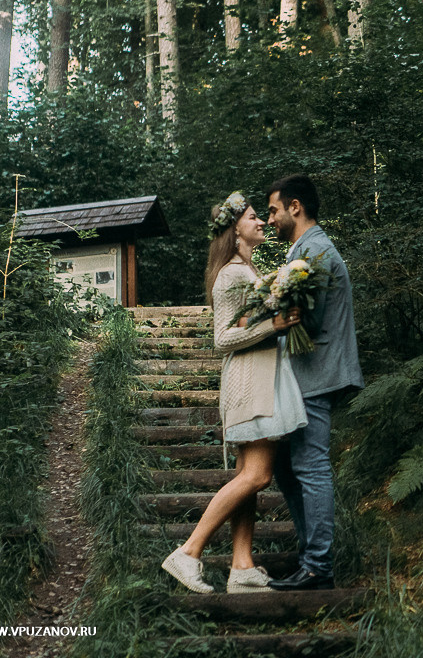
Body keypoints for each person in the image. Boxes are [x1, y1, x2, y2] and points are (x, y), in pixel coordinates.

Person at [161, 192, 308, 594]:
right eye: (254, 217)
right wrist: (273, 327)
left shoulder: (247, 269)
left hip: (258, 379)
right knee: (259, 475)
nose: (262, 222)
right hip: (248, 383)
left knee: (248, 476)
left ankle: (242, 566)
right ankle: (188, 552)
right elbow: (223, 338)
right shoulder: (230, 273)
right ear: (235, 228)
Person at [264, 174, 364, 591]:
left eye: (272, 210)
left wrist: (270, 316)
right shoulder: (302, 251)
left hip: (316, 375)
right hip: (302, 374)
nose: (269, 220)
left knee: (310, 467)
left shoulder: (317, 251)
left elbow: (313, 318)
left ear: (295, 207)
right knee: (286, 469)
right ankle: (310, 556)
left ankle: (319, 567)